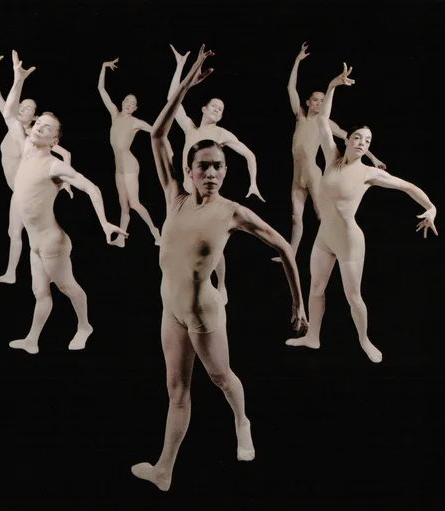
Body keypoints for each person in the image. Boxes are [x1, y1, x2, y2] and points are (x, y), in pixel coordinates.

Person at [131, 45, 309, 492]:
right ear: (189, 171)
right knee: (177, 393)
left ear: (225, 172)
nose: (210, 173)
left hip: (205, 314)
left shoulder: (233, 212)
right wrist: (186, 85)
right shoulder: (174, 194)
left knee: (220, 378)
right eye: (203, 167)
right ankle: (164, 470)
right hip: (170, 310)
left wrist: (299, 305)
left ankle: (242, 421)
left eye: (217, 167)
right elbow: (156, 135)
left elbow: (286, 248)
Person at [285, 63, 438, 364]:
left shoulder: (369, 173)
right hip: (324, 238)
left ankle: (365, 340)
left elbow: (407, 186)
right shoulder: (331, 159)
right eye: (357, 137)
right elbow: (323, 121)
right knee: (315, 290)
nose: (362, 143)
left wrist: (431, 207)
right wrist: (331, 86)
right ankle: (313, 336)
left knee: (353, 298)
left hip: (350, 240)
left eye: (367, 141)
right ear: (348, 139)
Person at [2, 50, 128, 354]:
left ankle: (85, 325)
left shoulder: (55, 165)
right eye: (39, 123)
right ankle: (32, 341)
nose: (40, 127)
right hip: (34, 241)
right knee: (40, 293)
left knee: (66, 287)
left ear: (55, 142)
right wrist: (18, 80)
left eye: (48, 128)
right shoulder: (26, 148)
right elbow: (9, 114)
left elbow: (92, 187)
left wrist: (105, 223)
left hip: (51, 242)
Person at [164, 45, 265, 304]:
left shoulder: (222, 134)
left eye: (221, 110)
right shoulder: (190, 128)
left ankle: (220, 284)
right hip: (185, 193)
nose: (218, 111)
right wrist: (180, 66)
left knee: (212, 241)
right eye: (214, 107)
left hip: (208, 194)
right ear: (204, 109)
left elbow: (250, 154)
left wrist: (253, 183)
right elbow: (171, 101)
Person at [272, 42, 386, 264]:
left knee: (322, 215)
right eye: (314, 100)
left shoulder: (327, 124)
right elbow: (290, 89)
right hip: (297, 177)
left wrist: (373, 157)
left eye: (322, 101)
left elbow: (351, 138)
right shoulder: (301, 116)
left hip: (314, 175)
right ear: (308, 102)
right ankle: (290, 256)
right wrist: (297, 61)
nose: (318, 103)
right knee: (296, 219)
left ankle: (333, 250)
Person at [0, 41, 74, 284]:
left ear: (35, 116)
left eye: (28, 108)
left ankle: (35, 275)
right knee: (16, 233)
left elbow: (64, 154)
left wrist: (64, 182)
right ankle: (15, 273)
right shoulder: (12, 125)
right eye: (21, 105)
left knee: (23, 233)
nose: (22, 108)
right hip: (16, 189)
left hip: (25, 191)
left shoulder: (30, 138)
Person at [97, 57, 162, 247]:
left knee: (135, 204)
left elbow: (157, 130)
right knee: (123, 206)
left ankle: (155, 233)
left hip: (130, 165)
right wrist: (103, 67)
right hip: (119, 167)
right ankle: (121, 239)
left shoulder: (136, 122)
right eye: (126, 100)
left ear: (135, 108)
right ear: (122, 102)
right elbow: (101, 90)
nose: (128, 103)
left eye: (132, 102)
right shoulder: (114, 115)